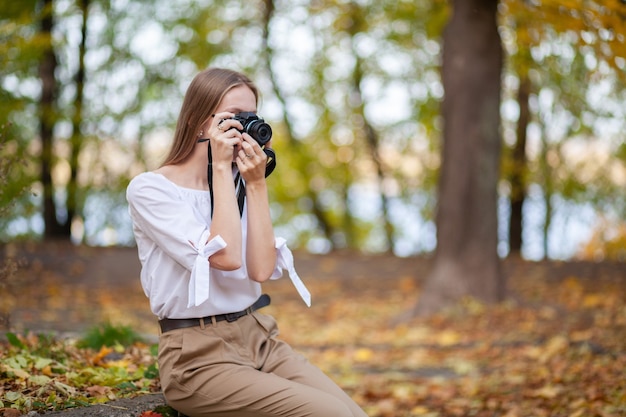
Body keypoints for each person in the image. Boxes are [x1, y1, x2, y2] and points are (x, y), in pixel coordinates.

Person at [126, 67, 368, 417]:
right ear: (198, 121)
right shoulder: (151, 189)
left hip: (260, 338)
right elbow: (224, 258)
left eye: (252, 116)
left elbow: (261, 269)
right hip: (197, 359)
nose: (245, 127)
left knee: (353, 414)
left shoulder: (241, 184)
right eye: (234, 117)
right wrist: (221, 169)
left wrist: (256, 184)